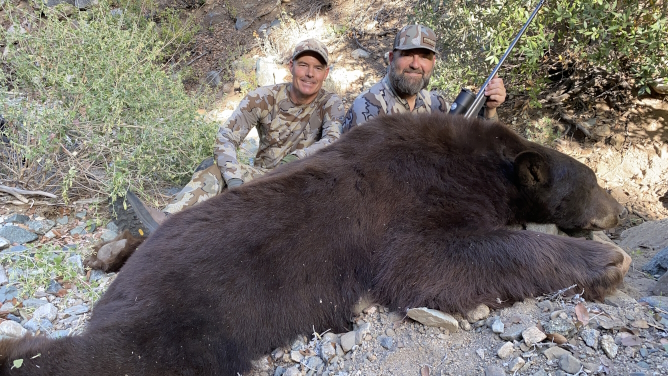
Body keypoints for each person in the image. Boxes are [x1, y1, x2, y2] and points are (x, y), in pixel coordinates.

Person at [117, 38, 345, 237]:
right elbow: (226, 136)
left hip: (301, 187)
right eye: (303, 65)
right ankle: (165, 222)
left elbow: (333, 142)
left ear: (325, 73)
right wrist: (235, 179)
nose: (309, 73)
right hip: (262, 180)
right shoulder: (263, 97)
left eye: (317, 67)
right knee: (216, 169)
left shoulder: (331, 104)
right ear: (291, 67)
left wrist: (297, 159)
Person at [341, 24, 507, 132]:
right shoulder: (367, 108)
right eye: (407, 55)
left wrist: (490, 109)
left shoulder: (437, 104)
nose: (415, 64)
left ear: (433, 63)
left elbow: (481, 148)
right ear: (391, 58)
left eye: (424, 57)